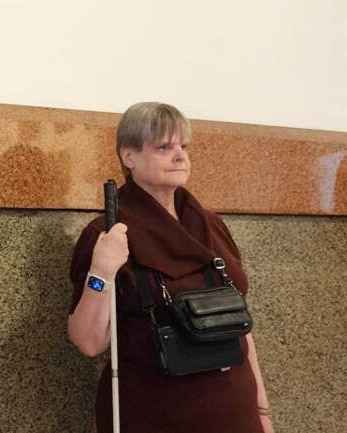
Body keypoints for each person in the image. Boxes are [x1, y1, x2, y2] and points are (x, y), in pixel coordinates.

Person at [67, 102, 273, 433]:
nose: (180, 156)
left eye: (183, 146)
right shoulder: (108, 231)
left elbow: (239, 324)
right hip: (156, 412)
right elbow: (88, 341)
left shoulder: (211, 224)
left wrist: (261, 409)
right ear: (128, 157)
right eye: (164, 147)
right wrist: (101, 273)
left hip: (235, 409)